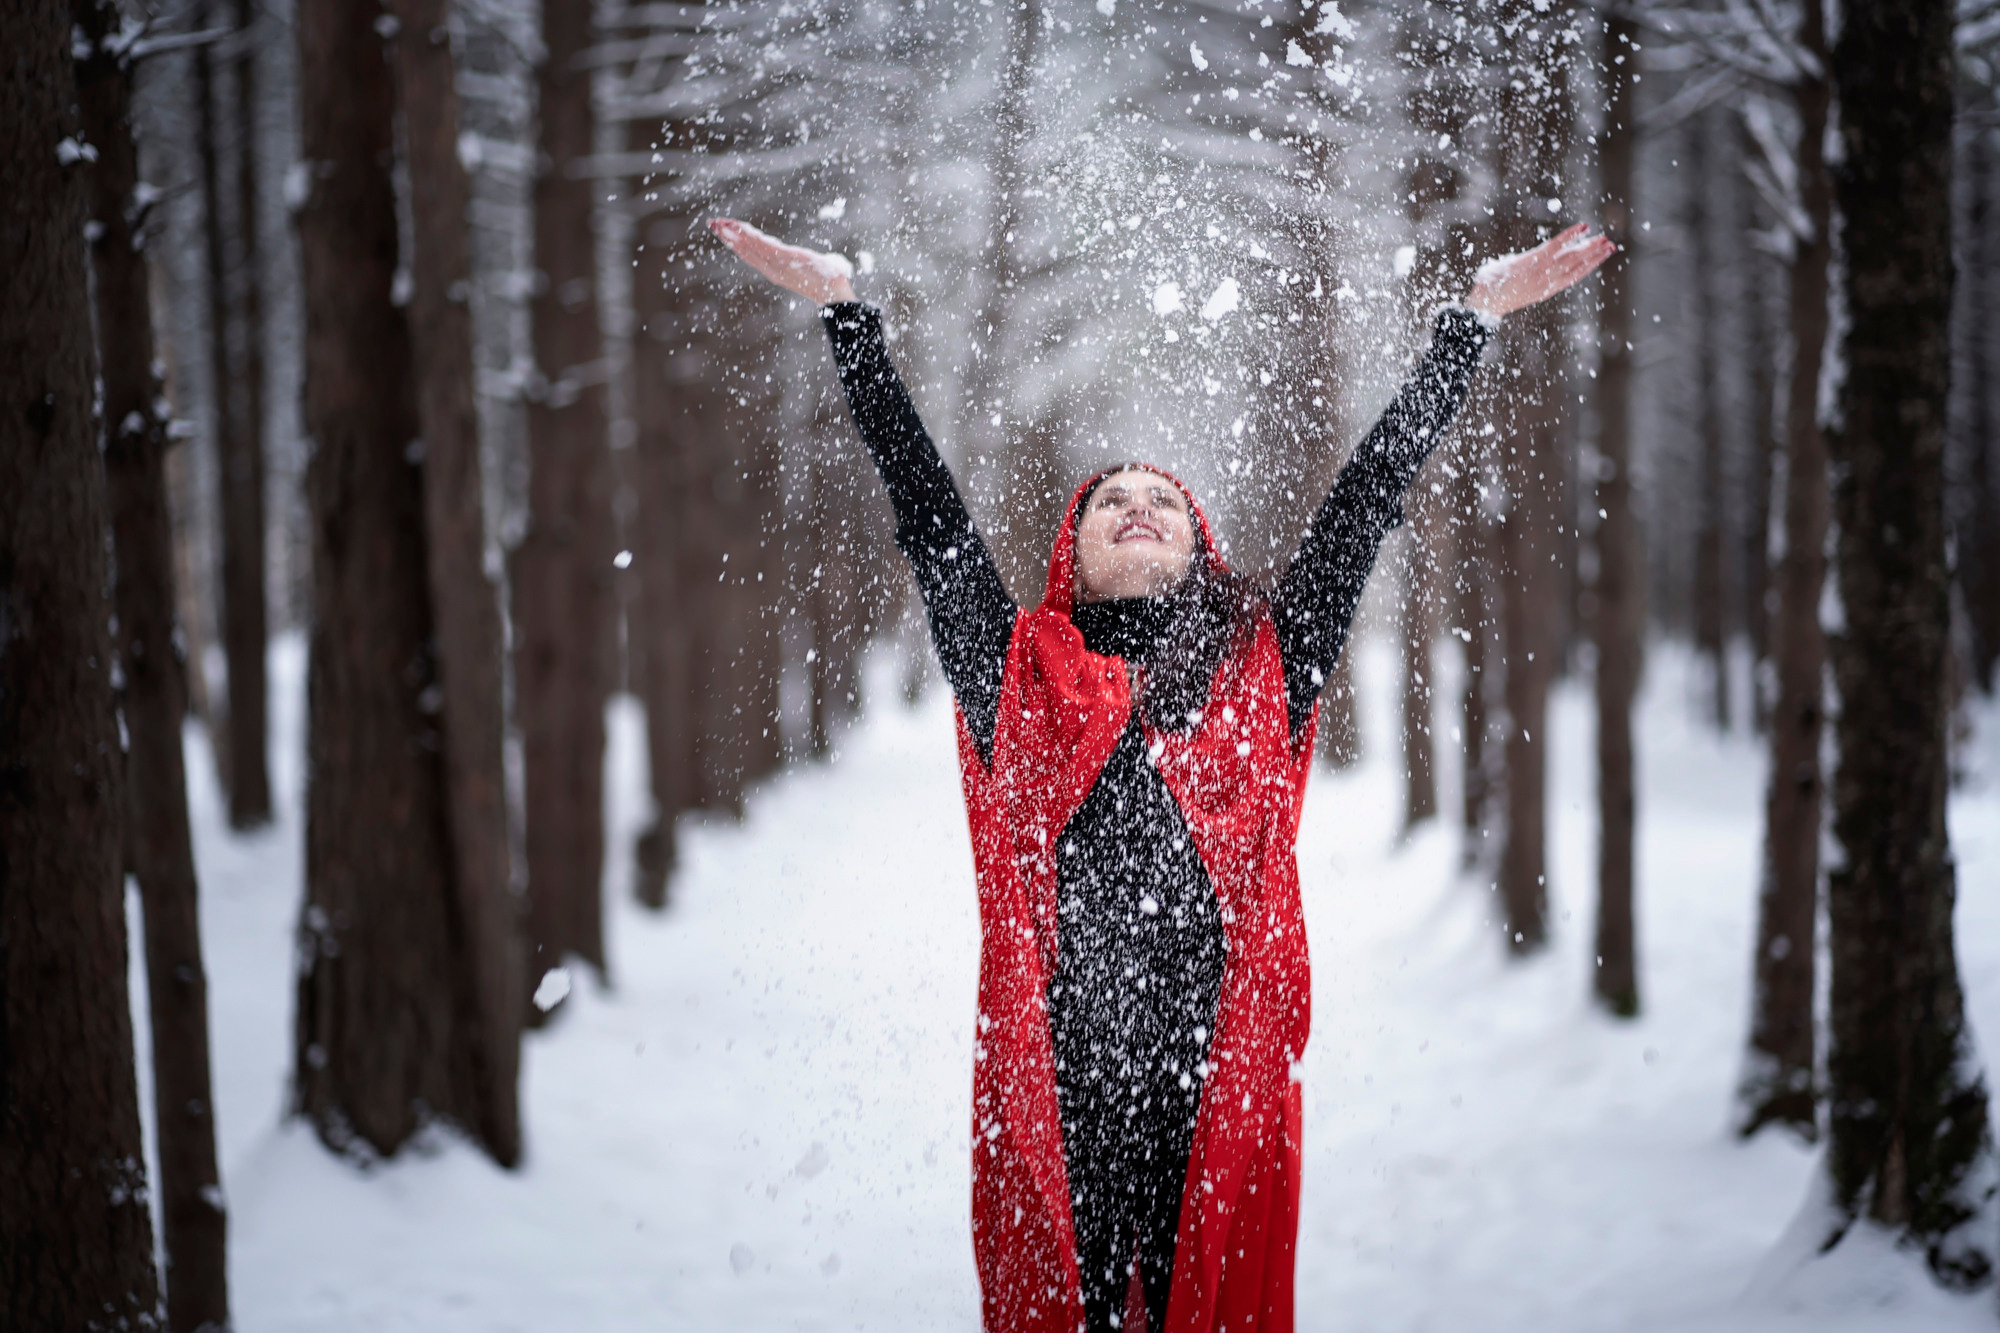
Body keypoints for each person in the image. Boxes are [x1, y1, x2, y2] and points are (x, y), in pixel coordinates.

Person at [713, 215, 1613, 1333]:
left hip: (1219, 1100)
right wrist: (850, 319)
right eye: (1107, 500)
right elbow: (931, 521)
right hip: (1052, 1109)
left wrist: (1469, 323)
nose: (1136, 505)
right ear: (1071, 549)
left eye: (1162, 500)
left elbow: (1363, 505)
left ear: (1198, 544)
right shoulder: (1017, 680)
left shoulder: (1264, 670)